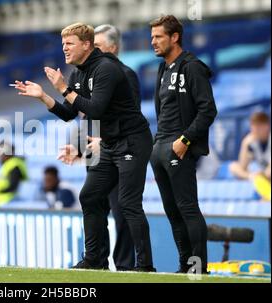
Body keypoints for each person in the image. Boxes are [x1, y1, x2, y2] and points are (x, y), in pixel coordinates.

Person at [14, 23, 155, 271]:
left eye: (70, 44)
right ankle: (95, 261)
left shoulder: (107, 69)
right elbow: (70, 114)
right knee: (89, 196)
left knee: (128, 204)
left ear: (86, 45)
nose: (64, 49)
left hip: (132, 140)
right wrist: (43, 96)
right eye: (63, 44)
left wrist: (62, 88)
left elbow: (95, 110)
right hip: (110, 144)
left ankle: (145, 267)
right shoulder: (78, 73)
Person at [58, 24, 138, 271]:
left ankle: (124, 267)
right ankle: (97, 262)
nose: (96, 53)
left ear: (112, 49)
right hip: (96, 153)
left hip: (119, 149)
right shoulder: (86, 73)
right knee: (94, 204)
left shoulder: (124, 74)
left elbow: (128, 115)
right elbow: (86, 116)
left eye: (100, 48)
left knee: (121, 209)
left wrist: (107, 140)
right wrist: (80, 148)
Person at [149, 15, 217, 274]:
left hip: (179, 146)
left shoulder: (192, 67)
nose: (153, 42)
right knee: (172, 211)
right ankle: (184, 265)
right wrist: (158, 146)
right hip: (161, 147)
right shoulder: (163, 68)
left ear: (174, 37)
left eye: (159, 37)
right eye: (152, 37)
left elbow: (208, 110)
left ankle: (198, 269)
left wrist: (185, 140)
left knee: (187, 208)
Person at [229, 112, 271, 200]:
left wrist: (262, 174)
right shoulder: (251, 142)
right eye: (253, 125)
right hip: (261, 177)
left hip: (266, 175)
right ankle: (267, 194)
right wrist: (245, 145)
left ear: (266, 126)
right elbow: (242, 167)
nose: (255, 129)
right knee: (233, 166)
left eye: (258, 126)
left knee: (260, 178)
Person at [0, 142, 28, 207]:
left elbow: (12, 187)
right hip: (1, 198)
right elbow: (4, 183)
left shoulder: (14, 166)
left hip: (8, 200)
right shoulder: (9, 165)